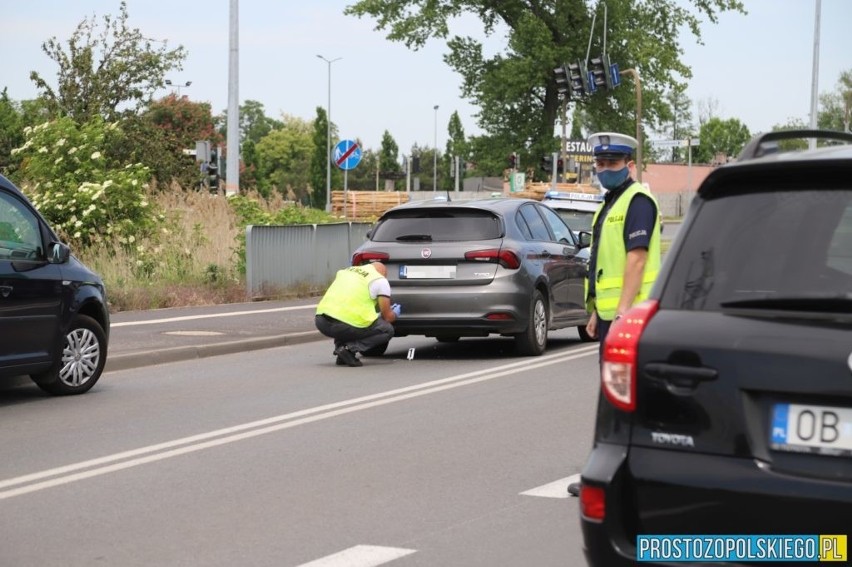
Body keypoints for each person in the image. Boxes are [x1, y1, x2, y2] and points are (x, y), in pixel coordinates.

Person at [584, 132, 662, 359]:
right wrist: (598, 312)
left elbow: (637, 260)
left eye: (613, 163)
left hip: (632, 315)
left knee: (627, 387)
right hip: (613, 315)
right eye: (600, 163)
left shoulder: (638, 201)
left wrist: (622, 313)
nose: (606, 168)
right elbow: (605, 262)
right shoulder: (608, 205)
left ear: (629, 166)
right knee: (614, 383)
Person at [314, 261, 398, 367]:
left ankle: (341, 354)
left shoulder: (346, 271)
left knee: (345, 319)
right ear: (383, 273)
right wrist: (395, 313)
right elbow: (388, 317)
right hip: (344, 324)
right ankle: (349, 350)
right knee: (387, 330)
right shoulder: (380, 280)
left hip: (321, 321)